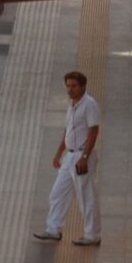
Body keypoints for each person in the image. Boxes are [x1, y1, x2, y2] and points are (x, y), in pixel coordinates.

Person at [34, 70, 101, 246]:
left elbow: (94, 131)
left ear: (83, 86)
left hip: (81, 156)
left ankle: (92, 234)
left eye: (74, 86)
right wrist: (59, 153)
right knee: (57, 193)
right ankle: (53, 229)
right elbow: (68, 130)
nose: (70, 89)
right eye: (68, 86)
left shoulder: (89, 105)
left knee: (85, 196)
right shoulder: (72, 105)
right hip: (70, 156)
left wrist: (85, 157)